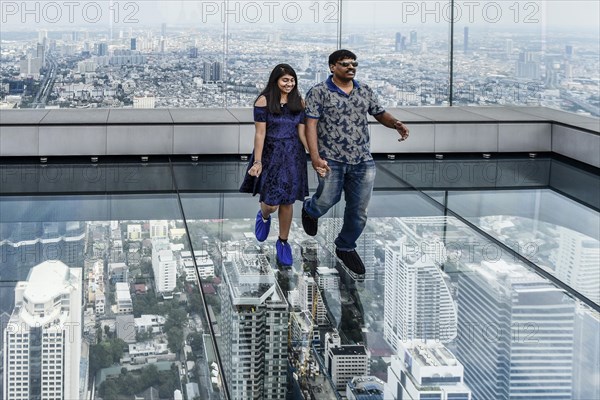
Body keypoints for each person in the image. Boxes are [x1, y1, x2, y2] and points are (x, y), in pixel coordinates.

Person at [302, 49, 410, 275]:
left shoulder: (365, 90)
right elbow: (310, 125)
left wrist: (396, 123)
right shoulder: (319, 92)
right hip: (332, 158)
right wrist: (314, 156)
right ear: (332, 67)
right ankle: (311, 210)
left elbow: (380, 113)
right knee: (327, 199)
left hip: (362, 159)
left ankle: (345, 246)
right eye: (345, 64)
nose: (351, 67)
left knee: (359, 209)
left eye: (354, 64)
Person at [239, 63, 309, 266]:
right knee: (271, 202)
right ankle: (263, 215)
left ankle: (283, 242)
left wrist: (314, 156)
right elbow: (260, 133)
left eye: (292, 80)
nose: (289, 83)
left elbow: (302, 133)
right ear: (276, 80)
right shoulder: (264, 101)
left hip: (293, 154)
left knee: (287, 201)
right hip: (271, 153)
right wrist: (258, 161)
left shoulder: (299, 102)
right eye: (285, 80)